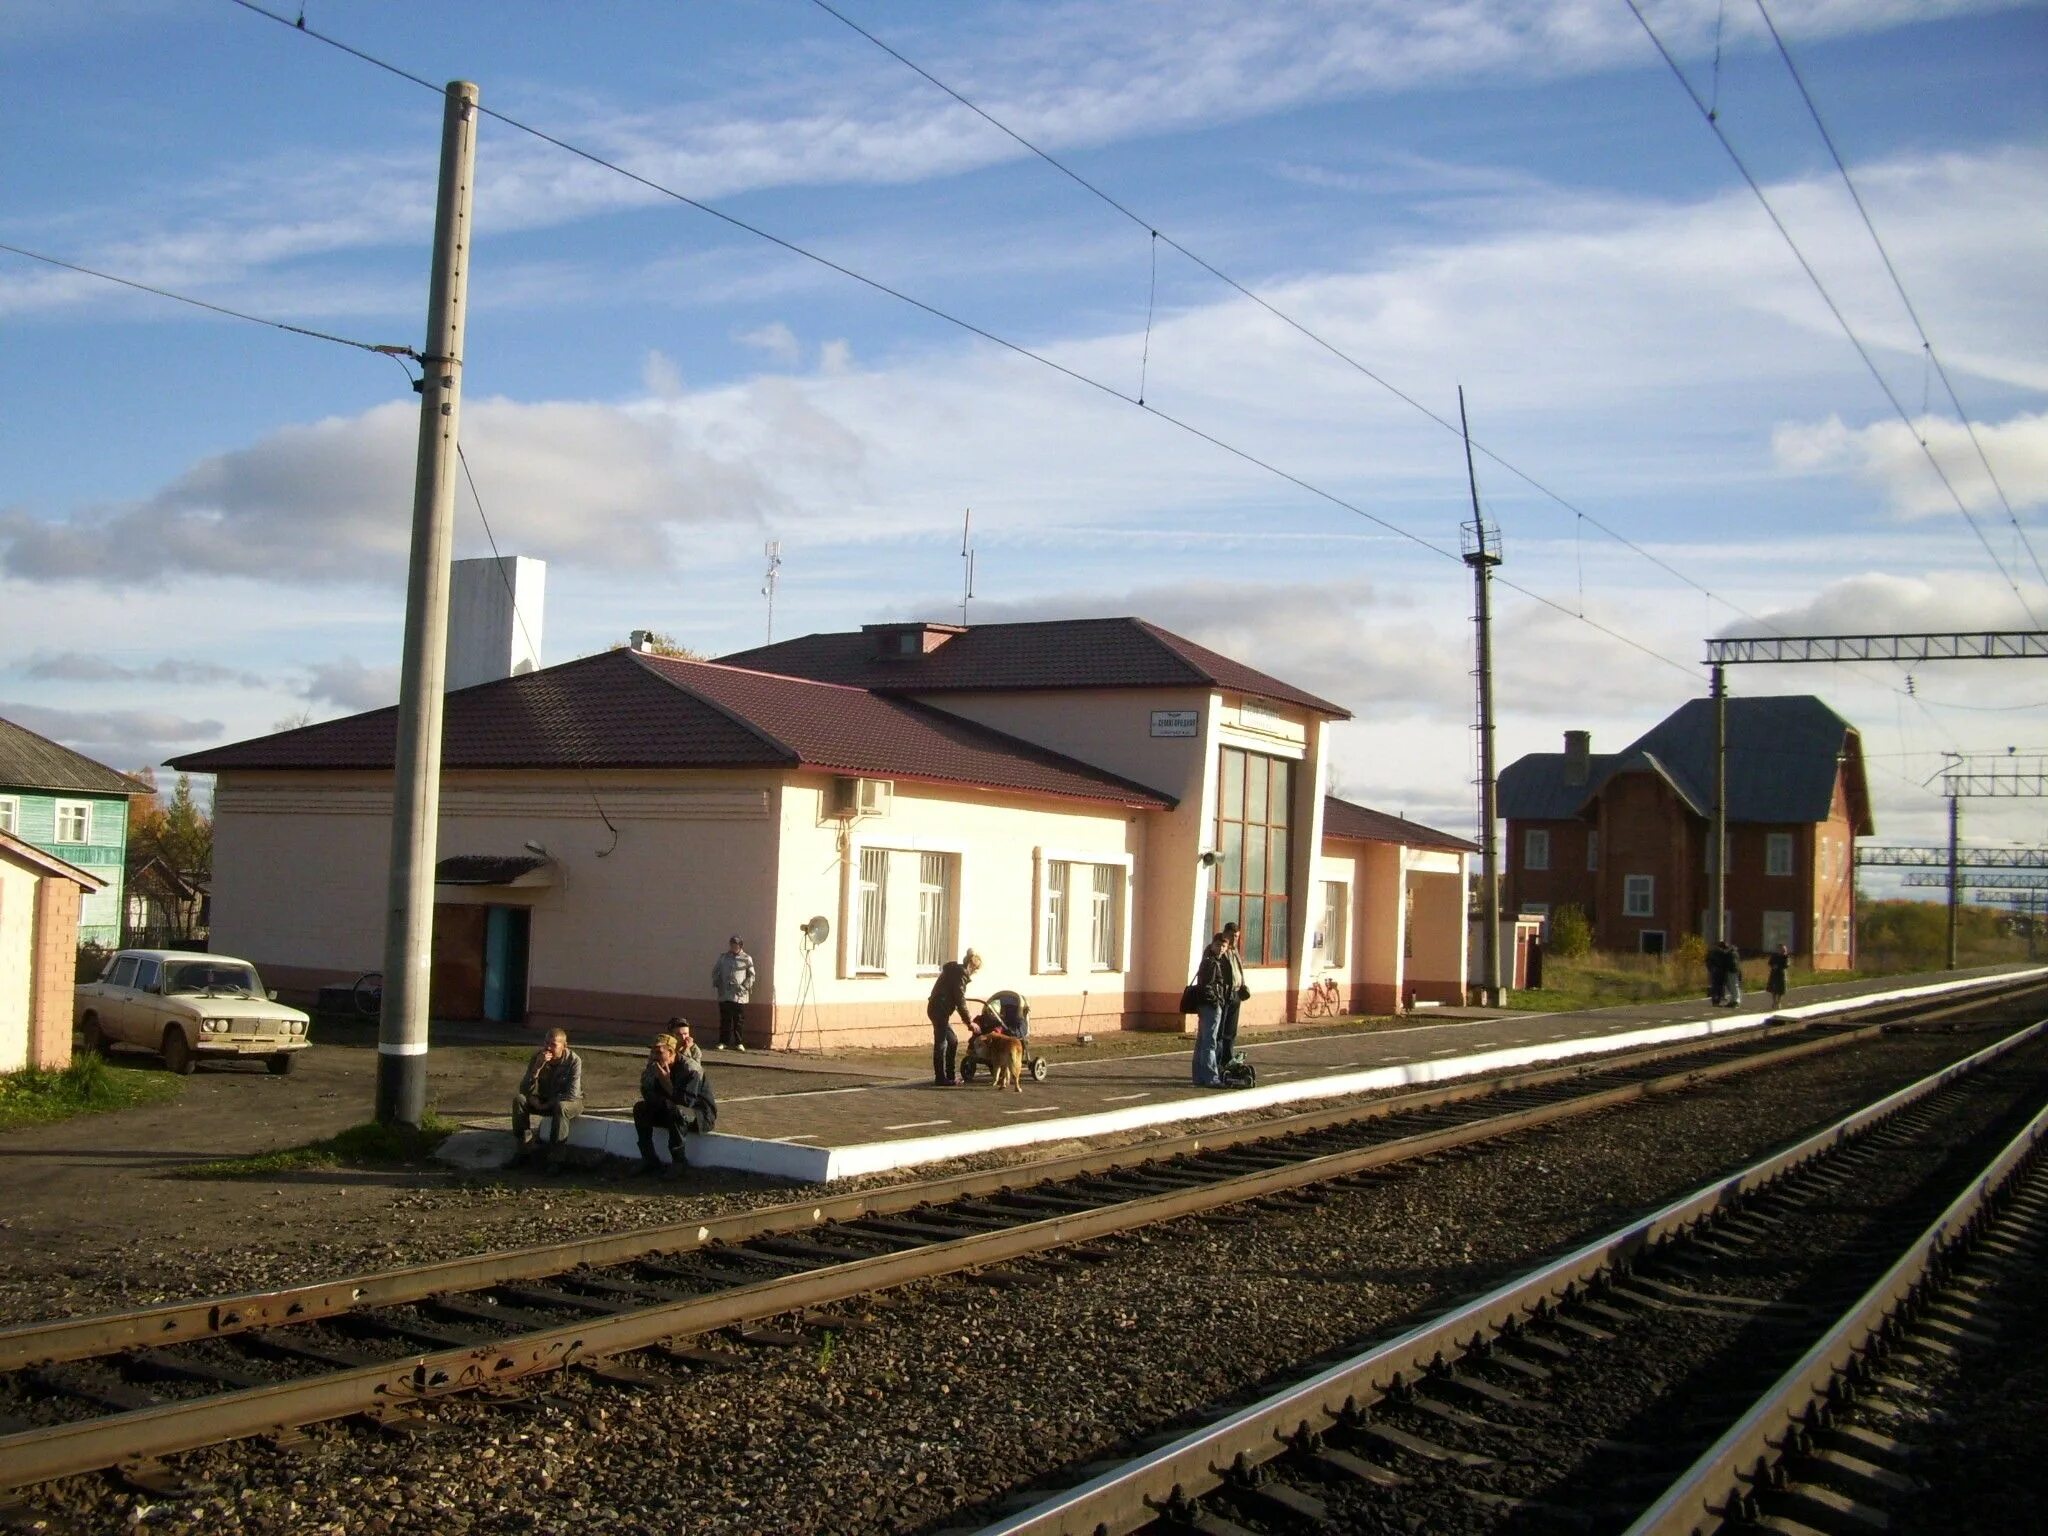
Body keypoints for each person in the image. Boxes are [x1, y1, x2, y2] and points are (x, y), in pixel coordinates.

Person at [512, 1028, 584, 1171]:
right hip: (545, 1098)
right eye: (546, 1043)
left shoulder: (573, 1061)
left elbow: (571, 1094)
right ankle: (523, 1151)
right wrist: (537, 1069)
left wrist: (546, 1105)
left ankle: (556, 1159)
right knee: (519, 1100)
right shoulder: (538, 1057)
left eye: (553, 1044)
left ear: (564, 1046)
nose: (548, 1048)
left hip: (570, 1101)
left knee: (561, 1107)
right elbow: (524, 1089)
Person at [631, 1033, 689, 1177]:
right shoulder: (654, 1067)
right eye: (652, 1052)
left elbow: (686, 1103)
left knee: (674, 1109)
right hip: (670, 1112)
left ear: (671, 1052)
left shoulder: (688, 1068)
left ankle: (679, 1162)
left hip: (696, 1114)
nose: (654, 1056)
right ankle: (649, 1159)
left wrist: (667, 1082)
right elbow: (648, 1096)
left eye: (658, 1052)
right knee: (640, 1108)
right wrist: (649, 1078)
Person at [926, 948, 981, 1086]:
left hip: (937, 1008)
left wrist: (966, 1020)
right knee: (941, 1044)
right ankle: (940, 1078)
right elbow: (960, 1000)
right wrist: (969, 1022)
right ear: (971, 966)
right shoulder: (961, 974)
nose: (974, 973)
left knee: (953, 1041)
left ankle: (950, 1075)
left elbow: (956, 999)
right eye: (975, 970)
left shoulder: (954, 971)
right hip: (939, 1010)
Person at [1190, 933, 1229, 1087]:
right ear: (1212, 945)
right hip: (1210, 1006)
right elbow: (1207, 985)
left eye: (1223, 946)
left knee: (1202, 1041)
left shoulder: (1208, 960)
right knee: (1209, 1042)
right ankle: (1211, 1077)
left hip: (1204, 1004)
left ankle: (1199, 1077)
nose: (1221, 949)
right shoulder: (1211, 963)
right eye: (1218, 945)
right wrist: (1216, 1001)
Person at [711, 936, 756, 1051]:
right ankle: (723, 1041)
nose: (733, 947)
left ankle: (739, 1042)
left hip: (739, 995)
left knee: (738, 1020)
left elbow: (751, 975)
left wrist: (744, 987)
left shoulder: (746, 958)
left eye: (735, 945)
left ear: (740, 946)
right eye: (731, 945)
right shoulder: (723, 957)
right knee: (725, 1019)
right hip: (725, 993)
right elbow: (716, 971)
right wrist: (718, 982)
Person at [1215, 922, 1249, 1066]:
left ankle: (1227, 1062)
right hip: (1224, 994)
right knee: (1220, 1031)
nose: (1234, 939)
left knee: (1231, 1032)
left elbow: (1238, 970)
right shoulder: (1219, 949)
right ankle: (1217, 1063)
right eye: (1232, 936)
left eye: (1237, 936)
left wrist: (1242, 986)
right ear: (1225, 934)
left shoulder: (1235, 951)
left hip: (1236, 994)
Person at [1705, 939, 1728, 1006]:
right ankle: (1717, 1000)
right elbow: (1725, 962)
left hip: (1713, 970)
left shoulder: (1711, 952)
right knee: (1719, 986)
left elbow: (1707, 960)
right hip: (1720, 971)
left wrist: (1710, 968)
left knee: (1714, 985)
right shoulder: (1722, 953)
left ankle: (1714, 1000)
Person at [1766, 944, 1790, 1008]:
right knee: (1773, 989)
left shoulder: (1786, 957)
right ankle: (1774, 1002)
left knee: (1781, 990)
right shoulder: (1774, 956)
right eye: (1782, 950)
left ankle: (1779, 1002)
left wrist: (1779, 966)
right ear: (1779, 950)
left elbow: (1787, 965)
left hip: (1782, 974)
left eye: (1784, 950)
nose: (1783, 951)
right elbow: (1770, 962)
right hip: (1774, 974)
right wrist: (1773, 966)